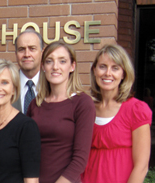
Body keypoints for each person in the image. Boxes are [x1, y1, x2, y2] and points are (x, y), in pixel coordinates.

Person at [81, 44, 152, 183]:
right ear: (94, 70)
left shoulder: (136, 109)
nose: (108, 73)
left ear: (123, 73)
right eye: (102, 66)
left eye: (115, 68)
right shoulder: (86, 109)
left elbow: (141, 167)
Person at [27, 41, 95, 183]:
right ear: (43, 67)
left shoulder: (82, 103)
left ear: (72, 66)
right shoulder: (35, 104)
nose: (55, 67)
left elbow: (80, 160)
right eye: (49, 61)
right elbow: (27, 150)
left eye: (62, 61)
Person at [12, 29, 44, 114]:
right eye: (21, 49)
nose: (27, 54)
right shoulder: (7, 83)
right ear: (16, 54)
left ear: (42, 52)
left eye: (32, 49)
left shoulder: (52, 83)